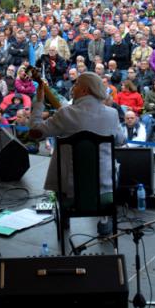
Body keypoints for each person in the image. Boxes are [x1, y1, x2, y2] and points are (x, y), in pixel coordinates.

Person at [27, 72, 122, 237]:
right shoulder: (112, 114)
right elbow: (120, 140)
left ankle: (65, 216)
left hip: (69, 190)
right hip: (104, 188)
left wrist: (39, 102)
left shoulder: (66, 114)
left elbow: (35, 132)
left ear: (85, 90)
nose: (73, 88)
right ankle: (105, 218)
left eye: (77, 84)